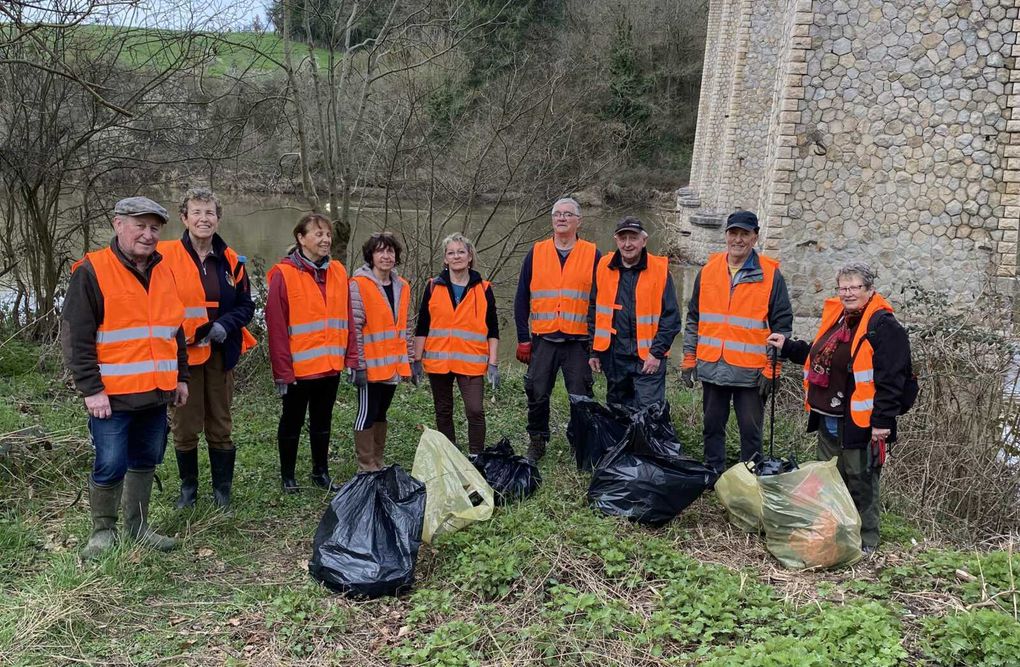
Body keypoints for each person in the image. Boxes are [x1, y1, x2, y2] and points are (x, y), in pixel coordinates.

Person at [62, 196, 188, 559]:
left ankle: (138, 527)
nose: (148, 235)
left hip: (157, 390)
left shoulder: (165, 270)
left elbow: (173, 329)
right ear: (118, 225)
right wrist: (91, 389)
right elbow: (75, 336)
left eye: (154, 228)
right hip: (111, 396)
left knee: (146, 457)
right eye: (140, 226)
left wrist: (181, 377)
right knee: (110, 462)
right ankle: (103, 531)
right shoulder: (92, 270)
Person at [767, 263, 911, 553]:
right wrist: (789, 346)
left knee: (862, 483)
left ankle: (866, 541)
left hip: (862, 423)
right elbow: (820, 356)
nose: (847, 293)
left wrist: (882, 421)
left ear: (870, 290)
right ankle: (835, 536)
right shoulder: (839, 319)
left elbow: (892, 379)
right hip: (828, 418)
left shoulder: (884, 326)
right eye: (843, 288)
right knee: (829, 481)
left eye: (854, 287)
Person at [158, 188, 255, 510]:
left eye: (210, 212)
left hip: (218, 353)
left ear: (218, 218)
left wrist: (224, 326)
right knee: (184, 425)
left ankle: (221, 493)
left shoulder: (232, 261)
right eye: (197, 212)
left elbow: (246, 306)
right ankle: (188, 491)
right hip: (179, 356)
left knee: (220, 423)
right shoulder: (163, 256)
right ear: (184, 218)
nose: (204, 218)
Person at [682, 210, 793, 473]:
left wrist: (773, 368)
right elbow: (694, 318)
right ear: (726, 236)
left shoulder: (771, 275)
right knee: (712, 426)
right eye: (733, 233)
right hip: (712, 366)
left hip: (751, 372)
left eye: (745, 234)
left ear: (755, 238)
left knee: (751, 432)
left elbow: (782, 326)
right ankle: (714, 473)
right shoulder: (708, 271)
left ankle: (750, 478)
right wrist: (688, 358)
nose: (738, 239)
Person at [265, 213, 349, 493]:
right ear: (301, 239)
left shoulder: (338, 271)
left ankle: (320, 472)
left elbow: (346, 317)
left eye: (327, 234)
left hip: (330, 364)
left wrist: (349, 358)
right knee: (292, 421)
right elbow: (276, 327)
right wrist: (282, 372)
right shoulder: (283, 274)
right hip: (299, 369)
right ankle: (288, 476)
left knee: (322, 421)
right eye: (318, 234)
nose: (325, 239)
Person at [514, 197, 601, 461]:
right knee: (537, 392)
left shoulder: (593, 254)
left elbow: (601, 301)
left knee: (581, 395)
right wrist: (523, 338)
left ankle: (579, 443)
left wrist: (597, 342)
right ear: (552, 220)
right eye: (557, 214)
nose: (561, 218)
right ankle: (537, 441)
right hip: (544, 339)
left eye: (568, 214)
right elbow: (521, 298)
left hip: (578, 341)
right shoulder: (537, 252)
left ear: (579, 221)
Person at [413, 233, 499, 456]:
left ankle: (475, 456)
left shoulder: (484, 289)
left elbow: (493, 329)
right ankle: (449, 454)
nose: (456, 256)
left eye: (461, 252)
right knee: (443, 410)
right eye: (451, 252)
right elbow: (422, 325)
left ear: (470, 257)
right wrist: (416, 359)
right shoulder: (433, 286)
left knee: (475, 410)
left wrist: (493, 363)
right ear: (445, 259)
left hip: (471, 362)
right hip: (439, 361)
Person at [589, 217, 682, 407]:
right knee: (618, 410)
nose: (627, 244)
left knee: (649, 412)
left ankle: (644, 438)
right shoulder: (603, 266)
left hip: (648, 358)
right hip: (614, 356)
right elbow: (593, 311)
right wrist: (593, 351)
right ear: (616, 240)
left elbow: (671, 318)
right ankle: (622, 438)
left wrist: (656, 353)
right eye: (623, 239)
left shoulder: (660, 270)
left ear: (644, 241)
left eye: (633, 238)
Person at [346, 232, 412, 471]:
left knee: (382, 413)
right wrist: (358, 365)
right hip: (369, 366)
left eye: (390, 251)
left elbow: (404, 326)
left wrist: (410, 359)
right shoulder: (358, 285)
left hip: (392, 364)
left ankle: (378, 460)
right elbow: (355, 330)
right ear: (371, 256)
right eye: (380, 251)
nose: (386, 256)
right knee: (367, 412)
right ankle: (366, 464)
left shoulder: (402, 286)